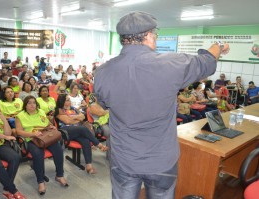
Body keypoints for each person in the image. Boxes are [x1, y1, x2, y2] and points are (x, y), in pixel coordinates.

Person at [94, 11, 230, 199]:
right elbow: (206, 62)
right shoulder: (172, 64)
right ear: (149, 36)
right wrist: (219, 45)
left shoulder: (102, 72)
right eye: (155, 35)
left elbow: (102, 105)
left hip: (124, 159)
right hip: (161, 160)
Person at [15, 96, 68, 195]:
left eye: (34, 103)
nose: (32, 105)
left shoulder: (41, 112)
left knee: (58, 150)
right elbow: (18, 131)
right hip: (31, 139)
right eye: (29, 103)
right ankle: (40, 181)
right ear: (25, 105)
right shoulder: (20, 115)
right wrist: (33, 134)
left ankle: (59, 175)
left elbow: (47, 124)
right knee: (38, 155)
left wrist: (50, 125)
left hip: (45, 137)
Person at [55, 94, 108, 174]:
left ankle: (89, 166)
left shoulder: (73, 109)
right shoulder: (59, 110)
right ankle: (98, 144)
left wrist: (72, 117)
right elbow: (67, 122)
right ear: (62, 101)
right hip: (66, 131)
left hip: (77, 130)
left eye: (69, 100)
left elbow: (83, 116)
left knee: (85, 140)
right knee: (83, 128)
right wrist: (76, 118)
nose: (69, 102)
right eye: (67, 100)